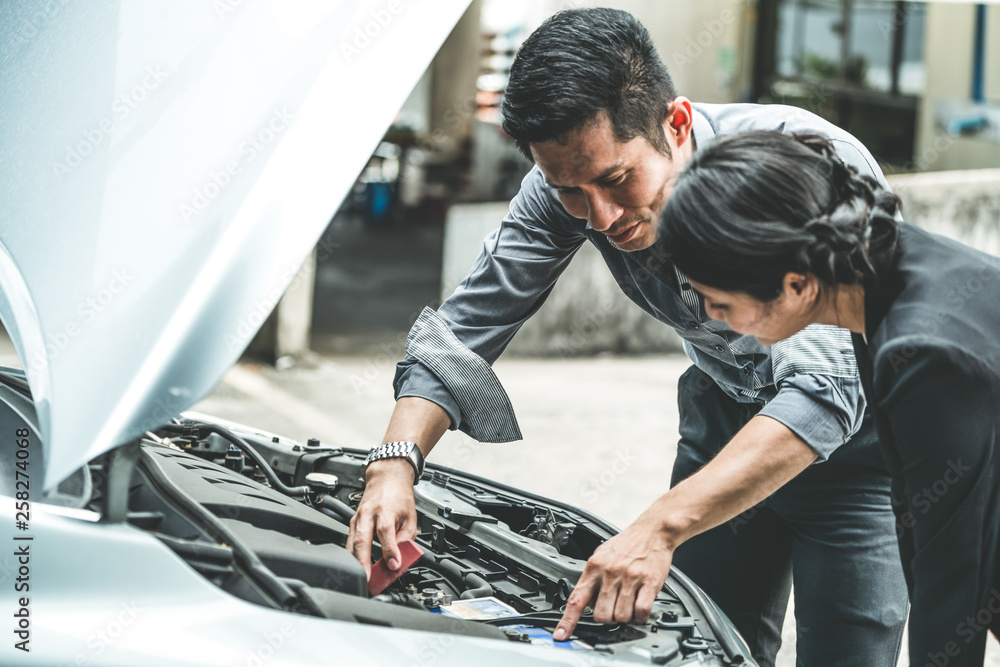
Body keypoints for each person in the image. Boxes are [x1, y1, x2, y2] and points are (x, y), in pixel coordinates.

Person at [346, 9, 908, 665]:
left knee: (849, 651)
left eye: (616, 180)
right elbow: (462, 332)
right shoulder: (566, 186)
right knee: (701, 644)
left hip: (859, 452)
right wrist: (394, 462)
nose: (601, 217)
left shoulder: (809, 164)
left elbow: (826, 388)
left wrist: (658, 524)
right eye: (571, 192)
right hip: (723, 411)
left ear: (675, 122)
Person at [655, 129, 1000, 665]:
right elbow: (922, 514)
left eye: (718, 302)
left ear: (797, 286)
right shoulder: (891, 274)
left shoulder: (923, 351)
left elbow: (952, 577)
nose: (708, 318)